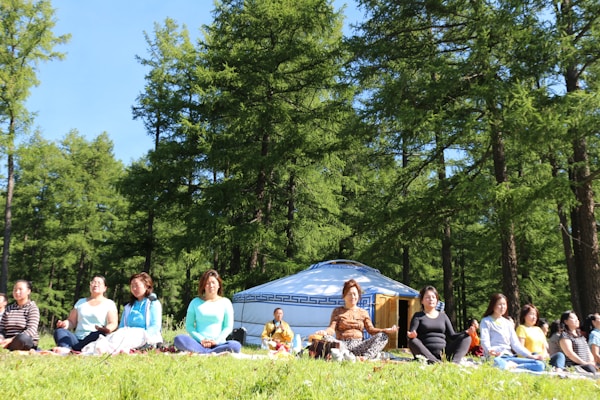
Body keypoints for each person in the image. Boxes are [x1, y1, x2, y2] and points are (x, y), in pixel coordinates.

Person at [314, 279, 398, 360]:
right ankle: (345, 355)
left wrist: (385, 330)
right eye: (349, 294)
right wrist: (325, 332)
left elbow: (371, 330)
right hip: (342, 345)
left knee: (383, 336)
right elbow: (331, 328)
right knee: (326, 338)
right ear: (344, 296)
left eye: (355, 294)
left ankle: (365, 358)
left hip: (359, 345)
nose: (352, 297)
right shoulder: (337, 311)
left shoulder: (363, 312)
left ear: (358, 295)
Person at [80, 272, 163, 354]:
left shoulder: (153, 303)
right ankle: (90, 349)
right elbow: (122, 326)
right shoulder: (128, 307)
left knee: (118, 342)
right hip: (126, 333)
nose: (134, 288)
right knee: (110, 338)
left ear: (146, 286)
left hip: (144, 336)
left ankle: (100, 350)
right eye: (132, 286)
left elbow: (155, 326)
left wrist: (145, 337)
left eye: (137, 285)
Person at [174, 269, 241, 354]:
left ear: (219, 285)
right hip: (198, 343)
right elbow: (189, 326)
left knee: (235, 345)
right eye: (207, 283)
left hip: (218, 344)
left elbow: (228, 327)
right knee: (179, 339)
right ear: (203, 286)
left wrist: (216, 341)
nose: (211, 286)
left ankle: (205, 352)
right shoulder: (195, 302)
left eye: (213, 282)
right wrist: (202, 339)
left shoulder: (226, 302)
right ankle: (206, 351)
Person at [479, 293, 545, 372]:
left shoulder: (508, 323)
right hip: (496, 357)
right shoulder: (486, 321)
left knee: (539, 364)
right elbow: (484, 341)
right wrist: (489, 350)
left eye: (504, 304)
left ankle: (514, 367)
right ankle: (511, 367)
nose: (502, 307)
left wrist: (530, 356)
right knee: (498, 362)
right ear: (493, 305)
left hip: (509, 357)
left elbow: (516, 344)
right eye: (499, 304)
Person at [53, 274, 118, 352]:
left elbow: (113, 323)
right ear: (90, 286)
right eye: (93, 282)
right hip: (77, 338)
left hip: (94, 338)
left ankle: (73, 350)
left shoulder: (109, 304)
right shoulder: (81, 302)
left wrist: (106, 329)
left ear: (105, 288)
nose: (96, 285)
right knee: (59, 331)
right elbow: (71, 322)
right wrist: (64, 324)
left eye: (99, 283)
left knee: (98, 334)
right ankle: (67, 349)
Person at [407, 286, 472, 364]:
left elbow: (452, 335)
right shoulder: (418, 316)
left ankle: (454, 363)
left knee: (467, 338)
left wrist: (466, 332)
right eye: (427, 297)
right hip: (425, 352)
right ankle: (434, 362)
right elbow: (412, 333)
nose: (431, 299)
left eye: (433, 297)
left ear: (437, 300)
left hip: (444, 352)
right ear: (422, 301)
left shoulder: (443, 316)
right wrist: (412, 335)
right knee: (413, 341)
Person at [0, 280, 40, 351]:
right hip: (7, 340)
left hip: (24, 340)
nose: (17, 292)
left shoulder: (32, 308)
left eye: (20, 289)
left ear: (28, 291)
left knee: (22, 338)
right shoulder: (9, 308)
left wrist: (11, 340)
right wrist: (1, 338)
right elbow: (2, 329)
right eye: (15, 290)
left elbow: (31, 330)